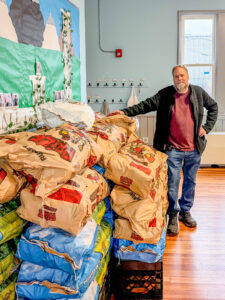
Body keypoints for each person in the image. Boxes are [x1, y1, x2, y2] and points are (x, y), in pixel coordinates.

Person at [109, 65, 218, 236]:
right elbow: (144, 106)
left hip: (194, 149)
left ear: (187, 77)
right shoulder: (166, 94)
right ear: (173, 79)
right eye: (176, 76)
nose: (179, 79)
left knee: (190, 182)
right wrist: (123, 112)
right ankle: (173, 215)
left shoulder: (198, 92)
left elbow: (214, 107)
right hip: (172, 148)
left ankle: (185, 212)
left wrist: (206, 127)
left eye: (182, 75)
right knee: (172, 184)